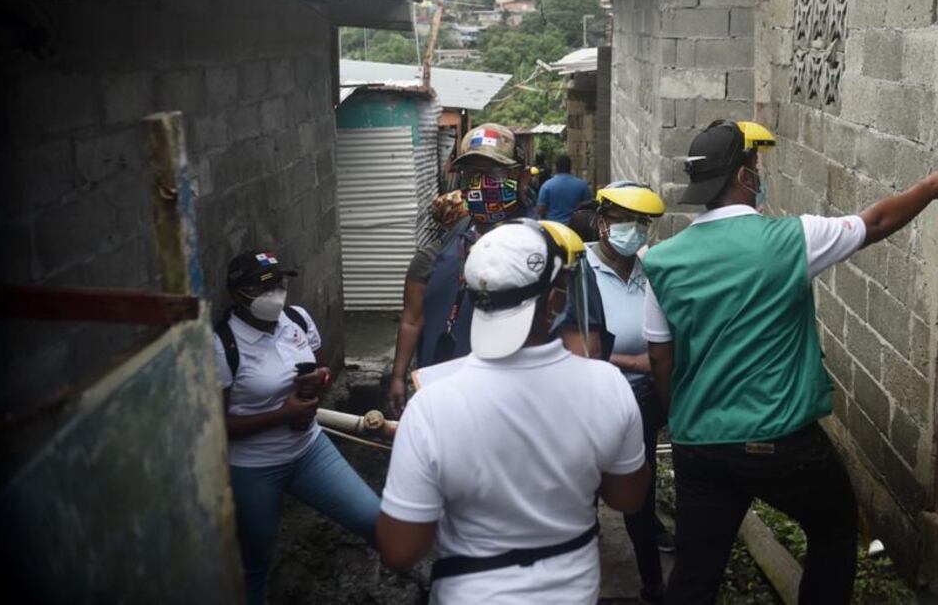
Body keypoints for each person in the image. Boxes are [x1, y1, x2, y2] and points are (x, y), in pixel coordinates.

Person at [641, 120, 938, 605]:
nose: (758, 172)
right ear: (743, 178)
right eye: (754, 165)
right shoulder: (793, 239)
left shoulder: (661, 262)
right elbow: (874, 223)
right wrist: (930, 187)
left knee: (694, 571)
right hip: (781, 442)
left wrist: (681, 417)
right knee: (834, 529)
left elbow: (660, 359)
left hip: (700, 443)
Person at [375, 220, 650, 603]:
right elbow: (628, 498)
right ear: (555, 302)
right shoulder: (608, 387)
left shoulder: (432, 406)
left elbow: (400, 550)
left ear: (473, 297)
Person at [213, 249, 380, 605]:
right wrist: (282, 415)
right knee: (253, 566)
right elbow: (217, 428)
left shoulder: (297, 319)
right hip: (254, 468)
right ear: (238, 294)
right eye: (264, 287)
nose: (276, 291)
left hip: (309, 450)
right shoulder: (222, 345)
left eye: (278, 282)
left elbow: (320, 369)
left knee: (374, 519)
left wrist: (318, 381)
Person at [559, 182, 673, 605]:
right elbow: (577, 346)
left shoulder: (651, 268)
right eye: (627, 222)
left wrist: (656, 369)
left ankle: (651, 582)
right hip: (592, 396)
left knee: (639, 489)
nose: (636, 231)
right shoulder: (579, 268)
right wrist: (634, 363)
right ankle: (579, 573)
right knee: (584, 488)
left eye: (642, 224)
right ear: (604, 224)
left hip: (643, 400)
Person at [386, 123, 530, 417]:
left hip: (509, 403)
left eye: (495, 174)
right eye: (472, 175)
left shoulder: (542, 251)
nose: (482, 184)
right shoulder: (439, 252)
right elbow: (413, 318)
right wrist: (398, 376)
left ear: (522, 178)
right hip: (441, 397)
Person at [536, 153, 592, 224]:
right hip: (576, 228)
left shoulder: (547, 186)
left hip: (553, 227)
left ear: (556, 167)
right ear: (570, 167)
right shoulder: (582, 185)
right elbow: (588, 207)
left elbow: (540, 209)